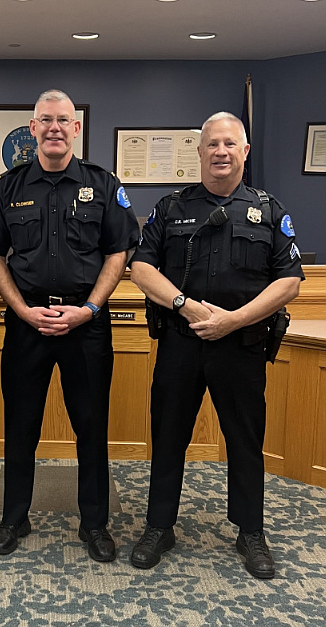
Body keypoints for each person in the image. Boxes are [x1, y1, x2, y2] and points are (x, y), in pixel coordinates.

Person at [130, 112, 304, 579]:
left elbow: (288, 283)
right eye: (213, 144)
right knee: (168, 437)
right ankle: (159, 525)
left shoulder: (269, 211)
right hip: (180, 345)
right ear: (200, 152)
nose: (221, 152)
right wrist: (185, 305)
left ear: (245, 152)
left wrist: (235, 320)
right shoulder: (170, 208)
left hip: (241, 346)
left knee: (245, 442)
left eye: (230, 144)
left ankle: (251, 531)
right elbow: (141, 270)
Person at [0, 89, 140, 562]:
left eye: (62, 120)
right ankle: (14, 517)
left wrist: (89, 308)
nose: (53, 127)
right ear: (32, 129)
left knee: (91, 426)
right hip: (26, 322)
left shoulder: (103, 184)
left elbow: (119, 251)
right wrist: (22, 309)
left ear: (76, 128)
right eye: (45, 119)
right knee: (20, 423)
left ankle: (94, 524)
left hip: (86, 325)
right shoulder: (7, 187)